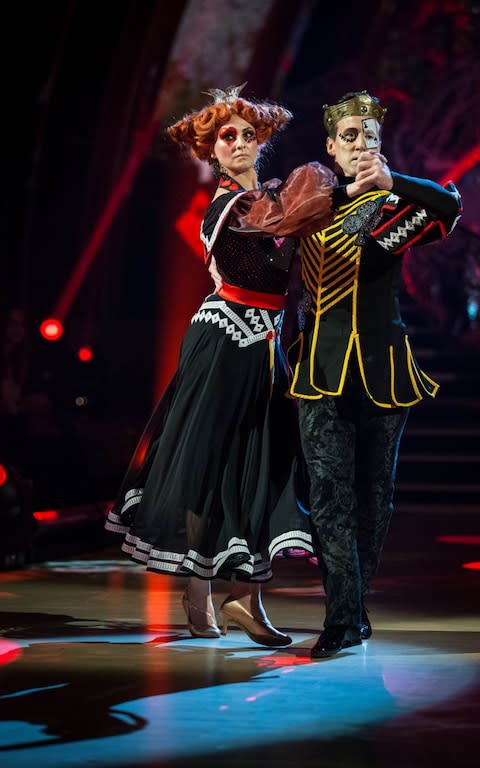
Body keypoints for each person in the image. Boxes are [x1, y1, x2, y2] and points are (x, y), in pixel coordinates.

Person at [231, 90, 462, 658]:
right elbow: (262, 221)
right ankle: (342, 617)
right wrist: (343, 192)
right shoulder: (311, 203)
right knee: (330, 496)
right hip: (320, 371)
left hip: (383, 371)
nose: (364, 147)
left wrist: (390, 183)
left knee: (375, 496)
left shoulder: (395, 207)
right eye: (352, 137)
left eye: (373, 138)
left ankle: (352, 610)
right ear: (331, 146)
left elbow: (448, 207)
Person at [105, 84, 335, 646]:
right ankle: (199, 588)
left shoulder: (280, 199)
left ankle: (240, 597)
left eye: (247, 134)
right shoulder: (229, 205)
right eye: (226, 136)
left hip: (268, 343)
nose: (237, 143)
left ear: (261, 143)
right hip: (224, 336)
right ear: (211, 150)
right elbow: (272, 228)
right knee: (207, 458)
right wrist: (320, 188)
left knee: (256, 465)